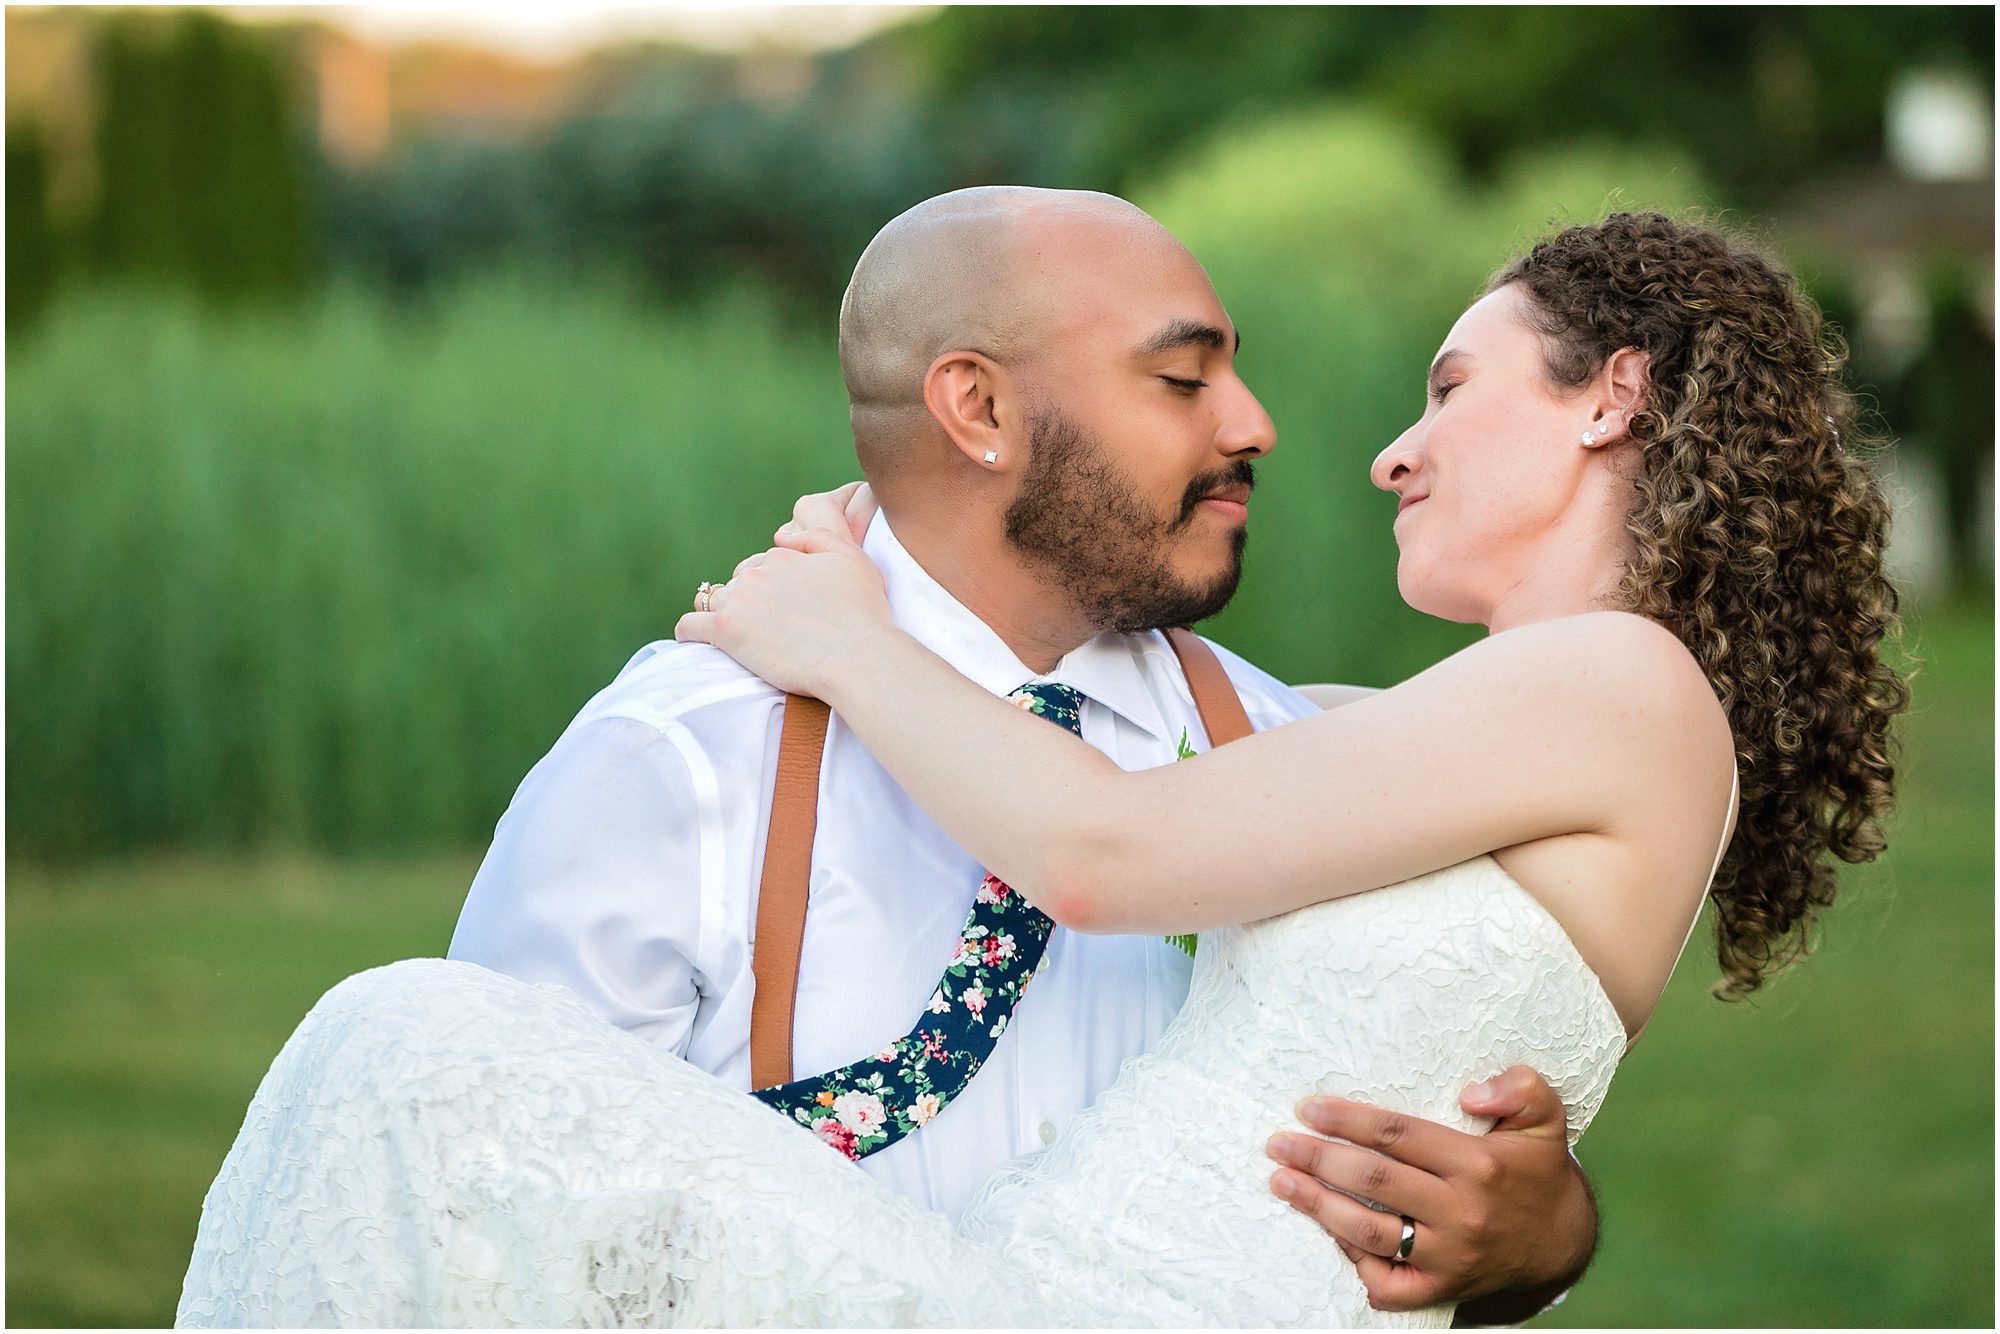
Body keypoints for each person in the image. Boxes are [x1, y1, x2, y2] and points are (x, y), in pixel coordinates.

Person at [171, 201, 1887, 1326]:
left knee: (391, 1047)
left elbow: (1111, 849)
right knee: (423, 1060)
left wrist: (1546, 1229)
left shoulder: (1601, 688)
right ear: (979, 408)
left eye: (1449, 391)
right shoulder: (691, 753)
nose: (1355, 443)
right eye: (1184, 376)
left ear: (1612, 400)